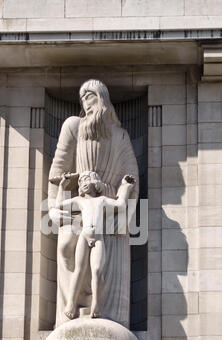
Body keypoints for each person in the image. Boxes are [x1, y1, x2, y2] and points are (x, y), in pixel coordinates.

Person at [48, 79, 139, 327]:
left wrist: (123, 189)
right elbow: (57, 174)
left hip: (106, 213)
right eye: (82, 98)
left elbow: (131, 177)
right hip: (78, 209)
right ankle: (70, 313)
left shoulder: (120, 136)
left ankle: (102, 313)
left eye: (90, 95)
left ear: (102, 97)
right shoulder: (73, 126)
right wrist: (54, 209)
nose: (86, 101)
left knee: (100, 268)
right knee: (67, 247)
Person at [54, 171, 136, 319]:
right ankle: (71, 303)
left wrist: (125, 187)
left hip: (98, 239)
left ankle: (96, 304)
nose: (83, 183)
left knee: (97, 271)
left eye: (87, 180)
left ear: (96, 182)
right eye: (81, 182)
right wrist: (62, 186)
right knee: (79, 270)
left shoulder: (102, 200)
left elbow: (121, 204)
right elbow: (59, 205)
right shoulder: (79, 200)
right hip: (84, 237)